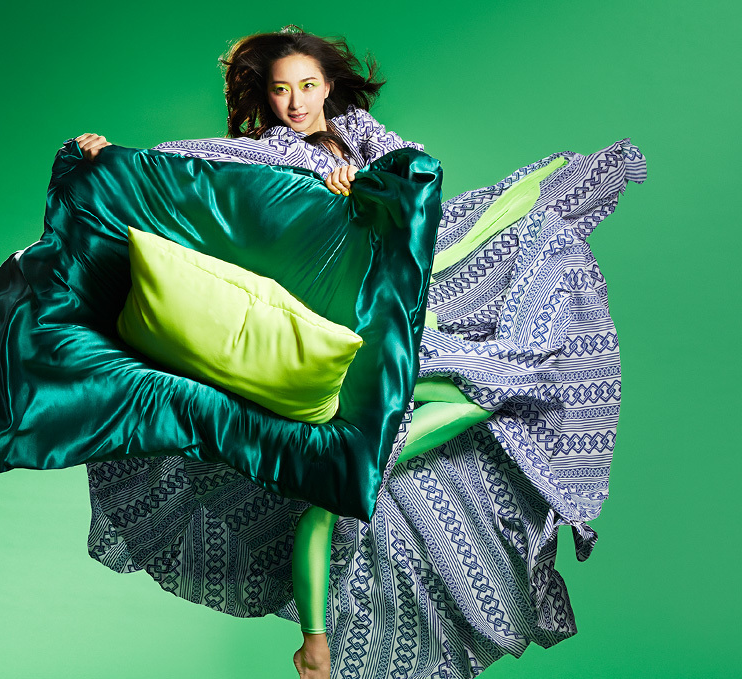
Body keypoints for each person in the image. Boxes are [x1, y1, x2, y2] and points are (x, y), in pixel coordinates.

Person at [77, 26, 644, 679]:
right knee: (342, 498)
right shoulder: (267, 150)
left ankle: (348, 620)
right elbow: (195, 161)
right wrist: (113, 156)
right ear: (266, 96)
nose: (295, 102)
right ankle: (321, 640)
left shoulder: (361, 132)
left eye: (307, 86)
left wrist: (370, 183)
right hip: (342, 322)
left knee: (513, 322)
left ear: (329, 87)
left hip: (406, 298)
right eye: (281, 90)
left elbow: (414, 171)